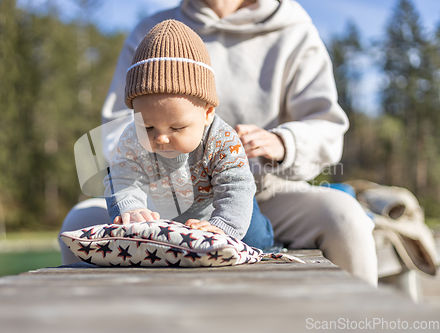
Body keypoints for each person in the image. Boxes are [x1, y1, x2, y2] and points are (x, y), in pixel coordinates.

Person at [60, 0, 377, 286]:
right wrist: (142, 196)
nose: (161, 133)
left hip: (268, 191)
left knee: (345, 216)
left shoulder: (293, 29)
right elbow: (117, 130)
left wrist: (284, 143)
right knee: (77, 220)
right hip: (157, 202)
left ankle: (361, 317)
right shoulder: (150, 32)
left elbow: (326, 125)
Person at [105, 19, 271, 245]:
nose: (161, 138)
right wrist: (131, 208)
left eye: (177, 127)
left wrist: (223, 227)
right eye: (148, 126)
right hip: (168, 216)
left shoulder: (221, 140)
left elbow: (236, 185)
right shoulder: (132, 138)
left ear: (207, 113)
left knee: (256, 238)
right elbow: (121, 176)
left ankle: (266, 236)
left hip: (227, 211)